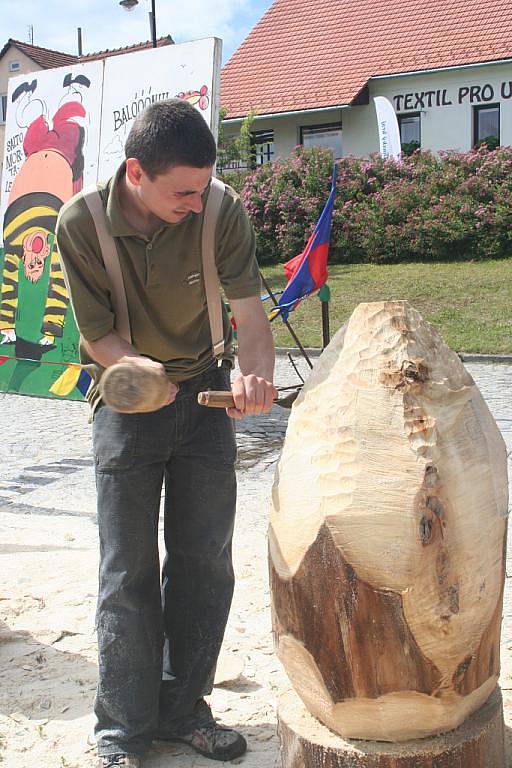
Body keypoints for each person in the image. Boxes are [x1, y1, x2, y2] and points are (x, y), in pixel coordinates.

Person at [56, 99, 276, 768]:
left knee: (204, 561)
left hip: (207, 394)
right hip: (127, 404)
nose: (196, 200)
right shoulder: (81, 223)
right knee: (126, 569)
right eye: (182, 190)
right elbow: (97, 336)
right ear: (136, 173)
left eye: (203, 185)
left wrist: (256, 380)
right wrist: (137, 370)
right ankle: (122, 728)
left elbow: (250, 316)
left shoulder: (218, 208)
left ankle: (185, 712)